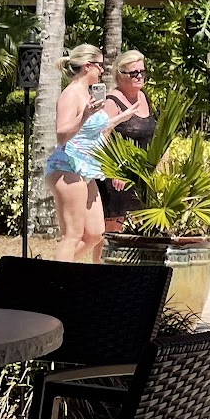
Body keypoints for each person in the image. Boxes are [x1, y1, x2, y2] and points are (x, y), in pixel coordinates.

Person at [43, 45, 142, 262]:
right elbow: (61, 135)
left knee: (95, 233)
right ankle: (55, 278)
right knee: (72, 235)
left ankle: (49, 271)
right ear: (88, 66)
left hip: (86, 169)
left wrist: (121, 117)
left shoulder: (87, 93)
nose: (103, 71)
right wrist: (85, 115)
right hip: (66, 167)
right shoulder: (70, 94)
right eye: (100, 66)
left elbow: (94, 129)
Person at [98, 51, 157, 234]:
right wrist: (114, 171)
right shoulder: (111, 102)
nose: (139, 76)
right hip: (117, 181)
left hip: (143, 177)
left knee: (143, 235)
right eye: (134, 73)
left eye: (142, 72)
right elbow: (101, 138)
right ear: (120, 75)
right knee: (112, 234)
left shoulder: (144, 97)